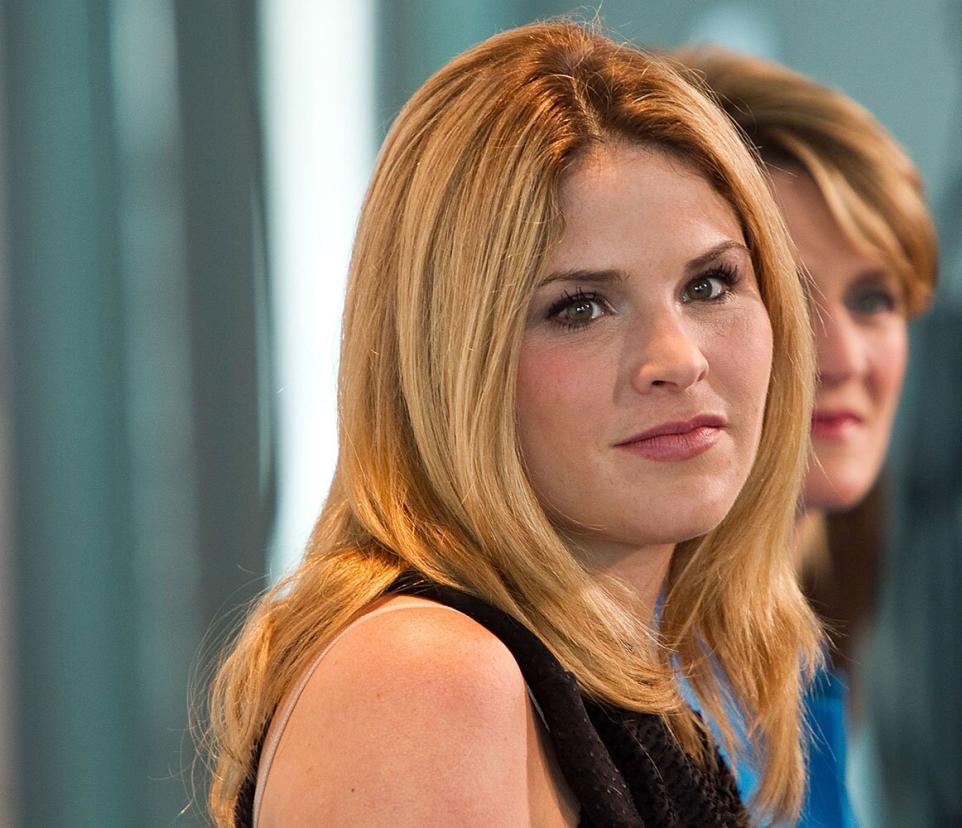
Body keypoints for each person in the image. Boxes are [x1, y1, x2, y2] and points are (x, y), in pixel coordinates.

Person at [202, 21, 827, 828]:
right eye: (580, 307)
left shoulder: (624, 688)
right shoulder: (425, 678)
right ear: (448, 363)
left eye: (709, 284)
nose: (676, 358)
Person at [671, 47, 939, 827]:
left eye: (875, 299)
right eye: (793, 296)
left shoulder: (802, 652)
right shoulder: (645, 685)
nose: (846, 358)